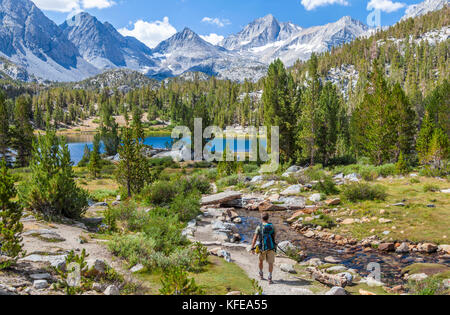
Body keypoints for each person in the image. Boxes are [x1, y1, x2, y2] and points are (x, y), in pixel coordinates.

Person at [251, 212, 276, 284]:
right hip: (271, 247)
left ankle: (261, 274)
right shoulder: (272, 226)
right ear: (268, 218)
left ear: (261, 218)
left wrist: (252, 247)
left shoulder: (259, 227)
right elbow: (274, 236)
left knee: (260, 261)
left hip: (262, 247)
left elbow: (255, 238)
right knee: (270, 263)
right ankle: (270, 277)